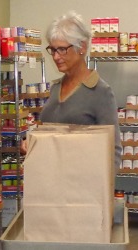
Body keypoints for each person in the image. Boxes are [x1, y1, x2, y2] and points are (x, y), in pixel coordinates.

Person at [23, 11, 122, 169]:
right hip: (51, 180)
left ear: (82, 47)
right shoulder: (55, 88)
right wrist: (33, 141)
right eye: (53, 50)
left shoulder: (100, 91)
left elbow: (114, 151)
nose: (56, 57)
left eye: (62, 49)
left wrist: (97, 187)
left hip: (82, 186)